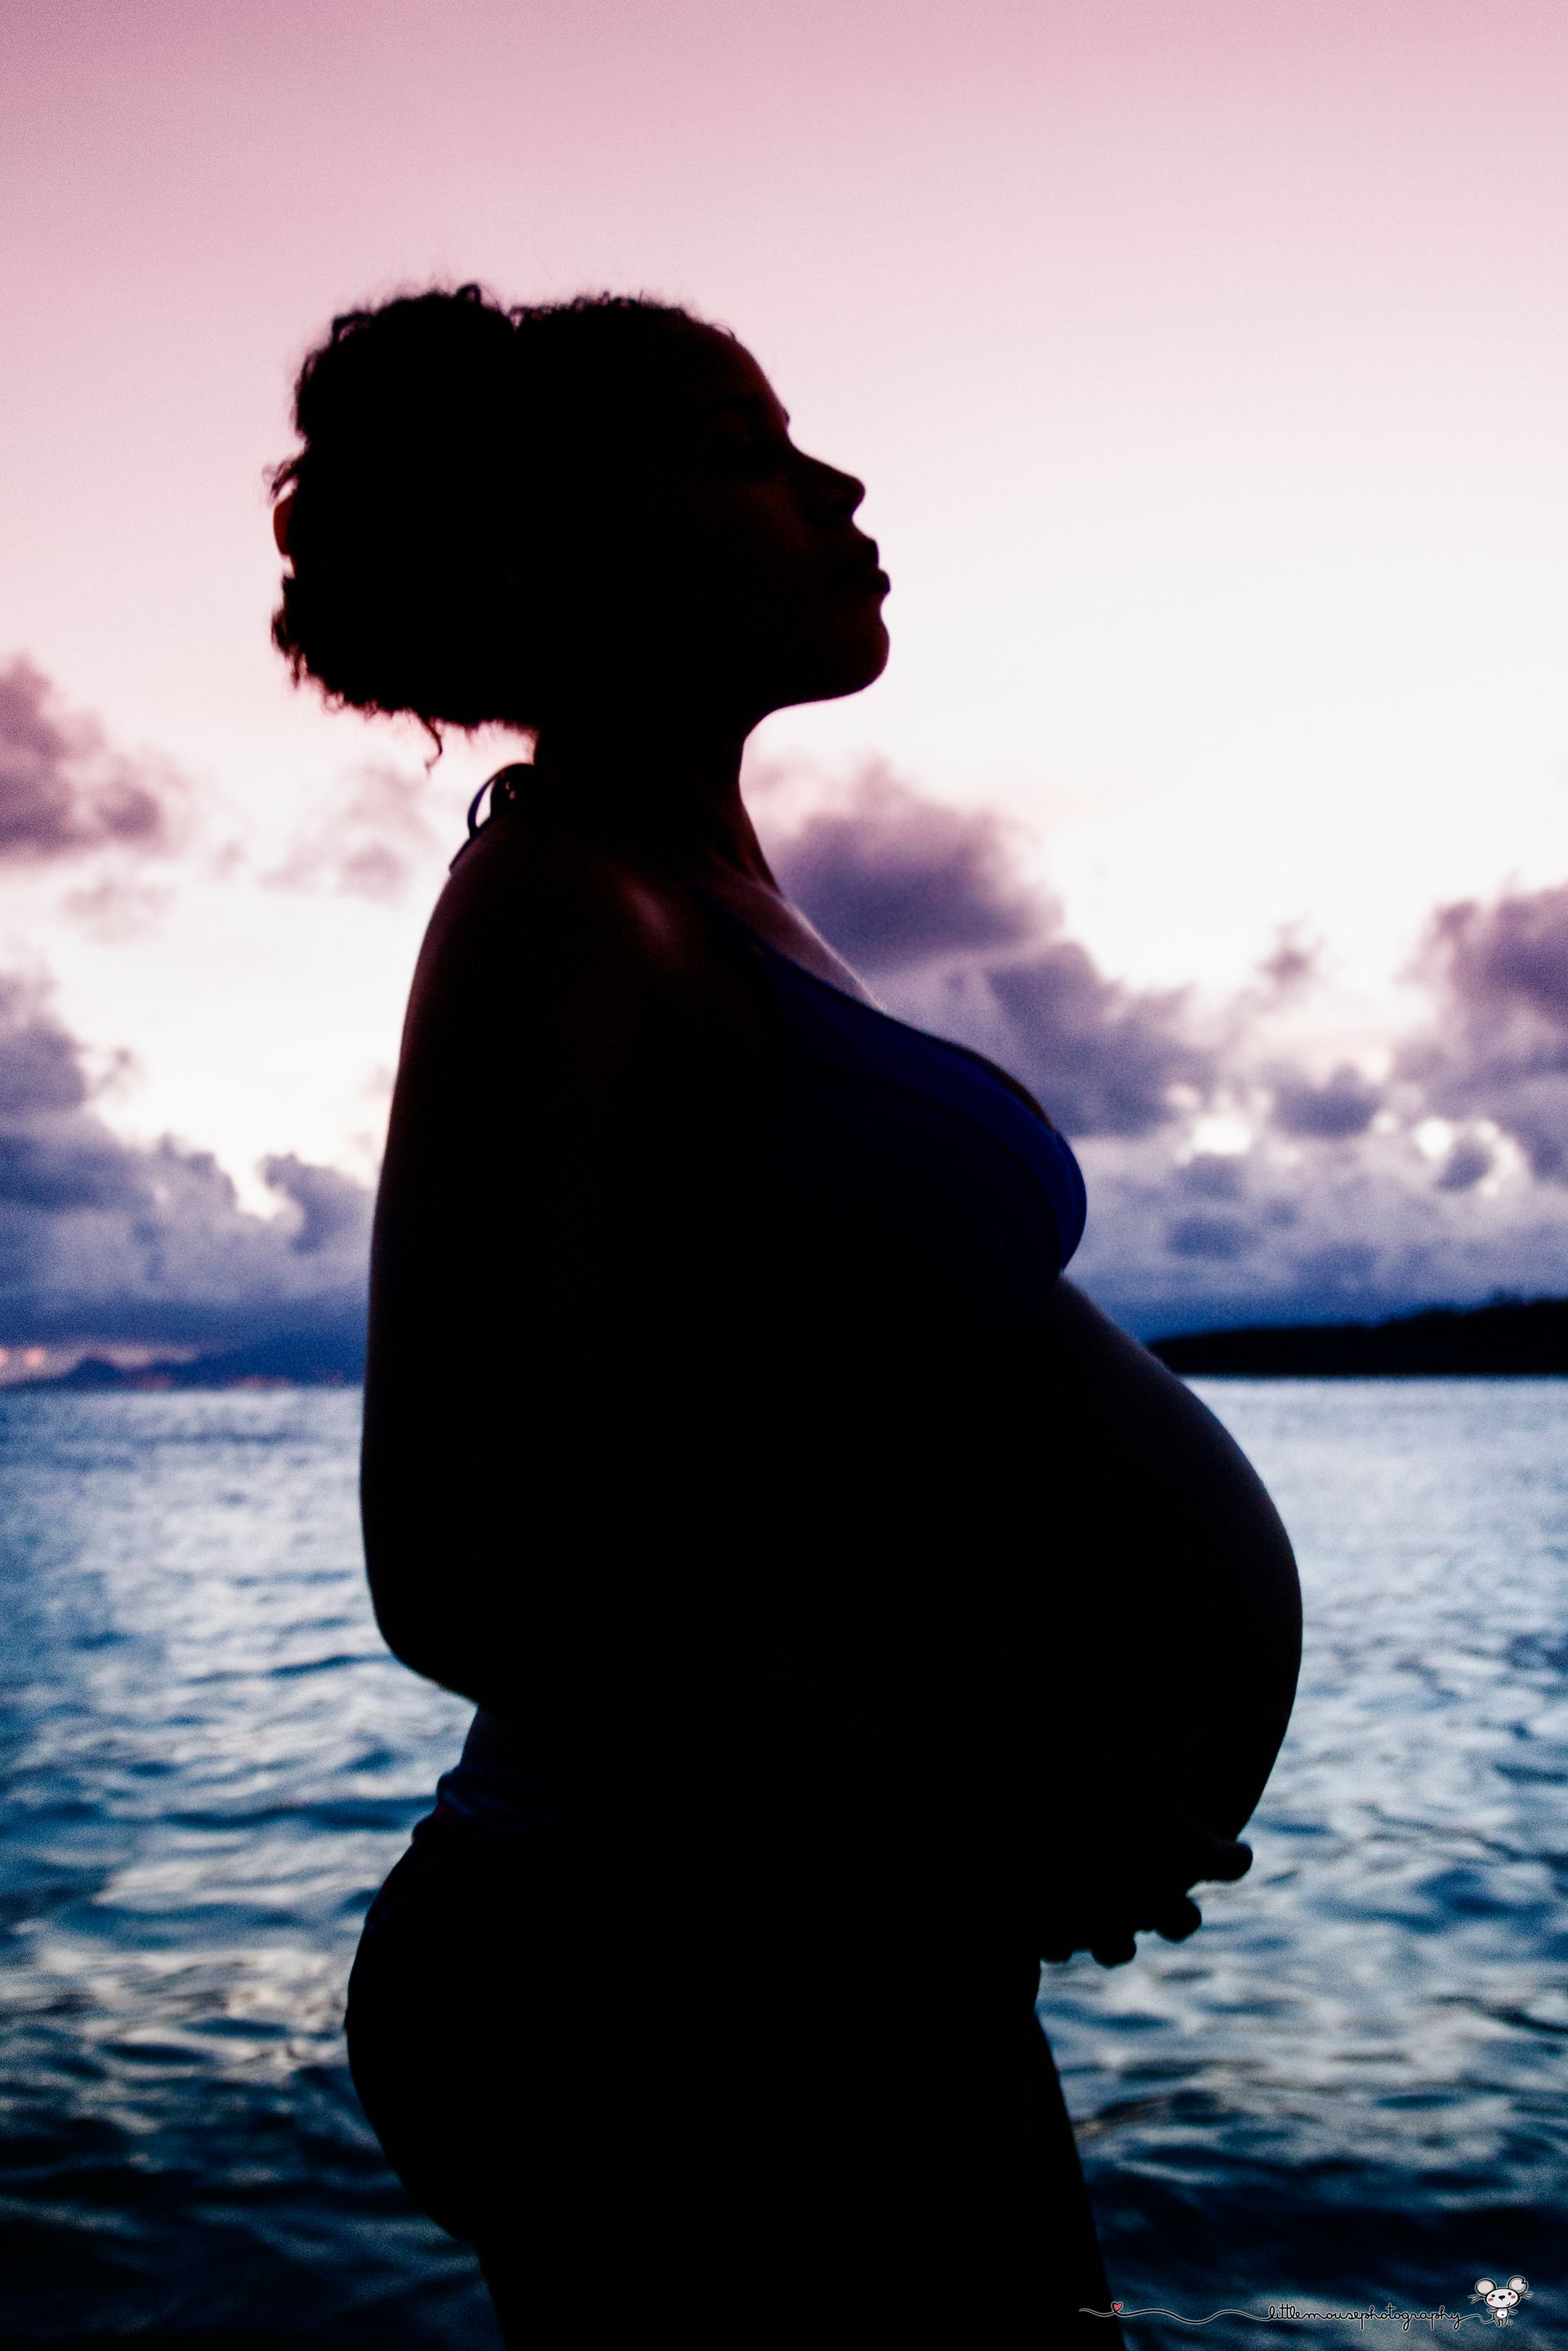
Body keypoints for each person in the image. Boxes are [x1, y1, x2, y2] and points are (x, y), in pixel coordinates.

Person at [269, 283, 1302, 2349]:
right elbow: (466, 1565)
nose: (835, 484)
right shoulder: (561, 912)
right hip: (661, 1955)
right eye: (750, 452)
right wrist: (975, 1808)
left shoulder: (708, 898)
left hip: (817, 1933)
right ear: (575, 566)